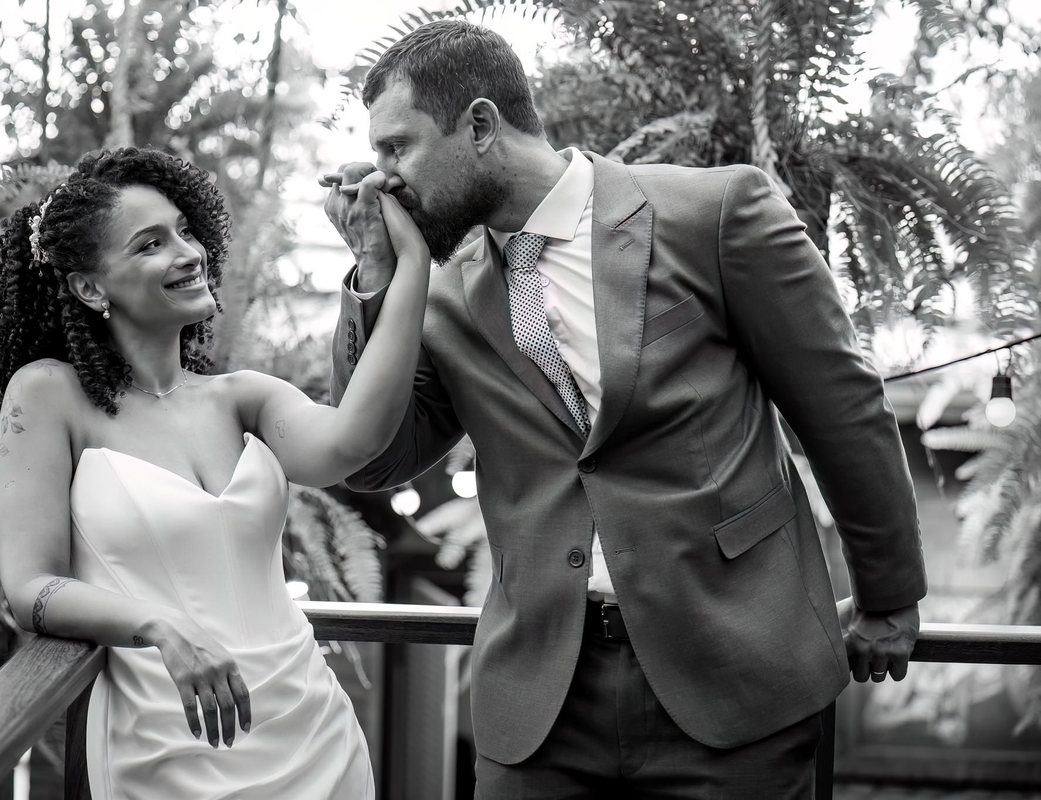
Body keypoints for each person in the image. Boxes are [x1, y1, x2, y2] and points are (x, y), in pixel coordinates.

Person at [324, 20, 927, 798]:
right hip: (540, 709)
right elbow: (372, 458)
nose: (380, 181)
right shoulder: (437, 296)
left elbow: (842, 409)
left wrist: (889, 597)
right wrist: (373, 272)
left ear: (479, 124)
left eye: (396, 148)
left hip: (736, 680)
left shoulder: (715, 213)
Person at [0, 146, 429, 799]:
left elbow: (355, 441)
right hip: (162, 749)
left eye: (187, 231)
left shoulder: (242, 398)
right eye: (151, 244)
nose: (187, 252)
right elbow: (28, 587)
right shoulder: (50, 395)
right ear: (89, 286)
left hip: (315, 735)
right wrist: (159, 628)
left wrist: (399, 264)